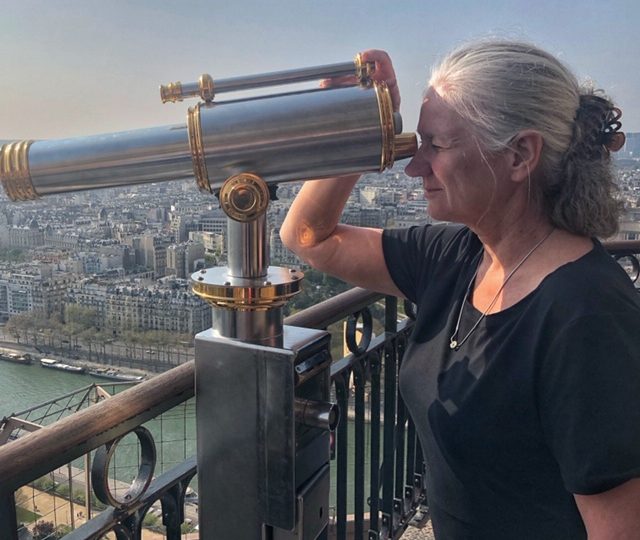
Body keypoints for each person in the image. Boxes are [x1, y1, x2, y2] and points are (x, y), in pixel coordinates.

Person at [280, 40, 640, 539]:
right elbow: (307, 237)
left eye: (436, 145)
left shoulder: (587, 317)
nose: (413, 166)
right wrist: (362, 125)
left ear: (519, 155)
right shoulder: (457, 257)